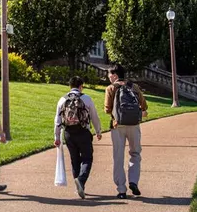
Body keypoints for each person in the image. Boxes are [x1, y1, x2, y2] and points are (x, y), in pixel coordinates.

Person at [104, 64, 148, 199]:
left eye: (109, 74)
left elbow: (107, 109)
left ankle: (121, 189)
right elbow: (144, 106)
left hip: (118, 126)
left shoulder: (111, 88)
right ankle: (133, 181)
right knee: (135, 153)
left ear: (115, 75)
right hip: (134, 125)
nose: (108, 77)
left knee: (118, 157)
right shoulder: (133, 87)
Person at [54, 75, 102, 199]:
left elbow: (57, 120)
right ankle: (81, 180)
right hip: (83, 132)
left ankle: (79, 187)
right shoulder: (86, 98)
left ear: (70, 86)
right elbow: (94, 116)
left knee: (74, 159)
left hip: (68, 133)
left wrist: (57, 137)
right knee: (87, 158)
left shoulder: (62, 100)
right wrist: (98, 131)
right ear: (81, 86)